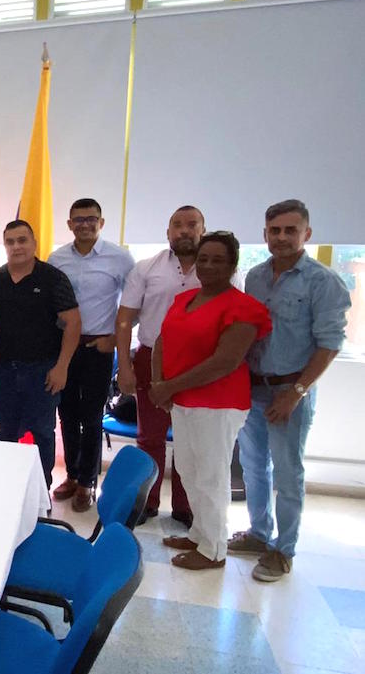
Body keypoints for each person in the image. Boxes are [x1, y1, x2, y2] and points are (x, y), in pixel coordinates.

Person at [228, 200, 350, 582]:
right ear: (265, 234)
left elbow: (329, 344)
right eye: (274, 231)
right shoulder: (256, 277)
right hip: (255, 387)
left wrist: (296, 391)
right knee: (252, 467)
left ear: (306, 234)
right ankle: (259, 534)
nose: (281, 238)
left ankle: (284, 550)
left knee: (287, 472)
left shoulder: (323, 281)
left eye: (290, 231)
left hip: (290, 391)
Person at [149, 233, 271, 570]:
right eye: (204, 258)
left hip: (218, 403)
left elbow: (225, 362)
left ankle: (215, 549)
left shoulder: (243, 307)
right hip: (183, 400)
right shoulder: (185, 299)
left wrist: (168, 386)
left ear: (233, 265)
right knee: (187, 469)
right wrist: (159, 384)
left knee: (212, 475)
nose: (208, 265)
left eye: (218, 260)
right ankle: (199, 533)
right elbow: (162, 340)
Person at [116, 205, 206, 527]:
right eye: (177, 225)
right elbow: (125, 319)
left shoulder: (218, 269)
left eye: (191, 224)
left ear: (202, 231)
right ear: (167, 232)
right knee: (149, 437)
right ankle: (147, 502)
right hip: (150, 359)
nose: (184, 230)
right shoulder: (146, 268)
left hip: (199, 365)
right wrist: (124, 366)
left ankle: (185, 507)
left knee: (190, 441)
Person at [48, 199, 135, 511]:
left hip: (99, 347)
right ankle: (71, 475)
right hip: (65, 346)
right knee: (67, 414)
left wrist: (115, 338)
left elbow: (136, 302)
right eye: (78, 220)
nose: (84, 224)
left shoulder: (120, 258)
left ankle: (88, 482)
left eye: (91, 219)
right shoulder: (56, 258)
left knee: (92, 416)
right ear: (69, 224)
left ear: (101, 221)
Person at [0, 220, 80, 489]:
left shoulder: (53, 278)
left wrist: (62, 367)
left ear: (34, 244)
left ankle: (41, 490)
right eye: (10, 241)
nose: (16, 246)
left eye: (22, 240)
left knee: (43, 433)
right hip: (3, 370)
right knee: (6, 432)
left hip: (42, 370)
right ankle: (8, 487)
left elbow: (73, 322)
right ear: (5, 246)